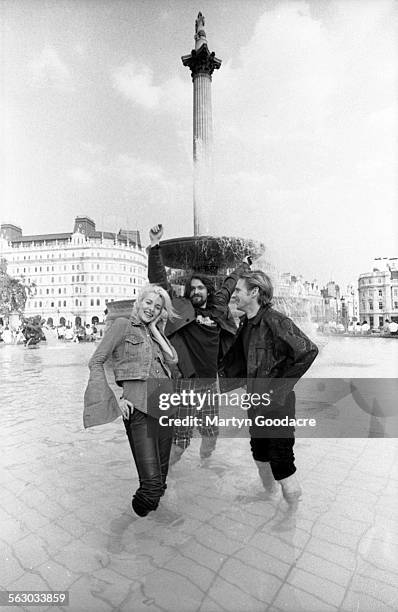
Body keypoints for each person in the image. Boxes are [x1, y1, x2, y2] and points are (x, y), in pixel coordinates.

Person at [148, 224, 251, 464]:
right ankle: (161, 480)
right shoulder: (180, 308)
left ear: (207, 291)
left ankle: (204, 469)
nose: (195, 291)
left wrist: (245, 264)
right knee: (181, 441)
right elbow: (159, 281)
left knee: (211, 435)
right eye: (192, 288)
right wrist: (155, 245)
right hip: (186, 384)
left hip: (210, 385)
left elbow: (230, 282)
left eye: (200, 288)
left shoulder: (218, 309)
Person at [220, 270, 318, 504]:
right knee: (260, 456)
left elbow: (308, 351)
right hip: (256, 403)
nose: (234, 296)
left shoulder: (275, 320)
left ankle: (291, 518)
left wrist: (276, 391)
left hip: (277, 405)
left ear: (254, 292)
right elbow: (249, 362)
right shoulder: (246, 323)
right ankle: (269, 495)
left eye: (238, 291)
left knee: (282, 465)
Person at [83, 284, 179, 517]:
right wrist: (117, 397)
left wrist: (155, 328)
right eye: (148, 303)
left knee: (161, 483)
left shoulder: (154, 333)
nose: (152, 309)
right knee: (151, 488)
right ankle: (121, 529)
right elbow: (96, 362)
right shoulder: (122, 326)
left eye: (158, 307)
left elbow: (173, 360)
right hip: (139, 408)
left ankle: (149, 533)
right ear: (139, 302)